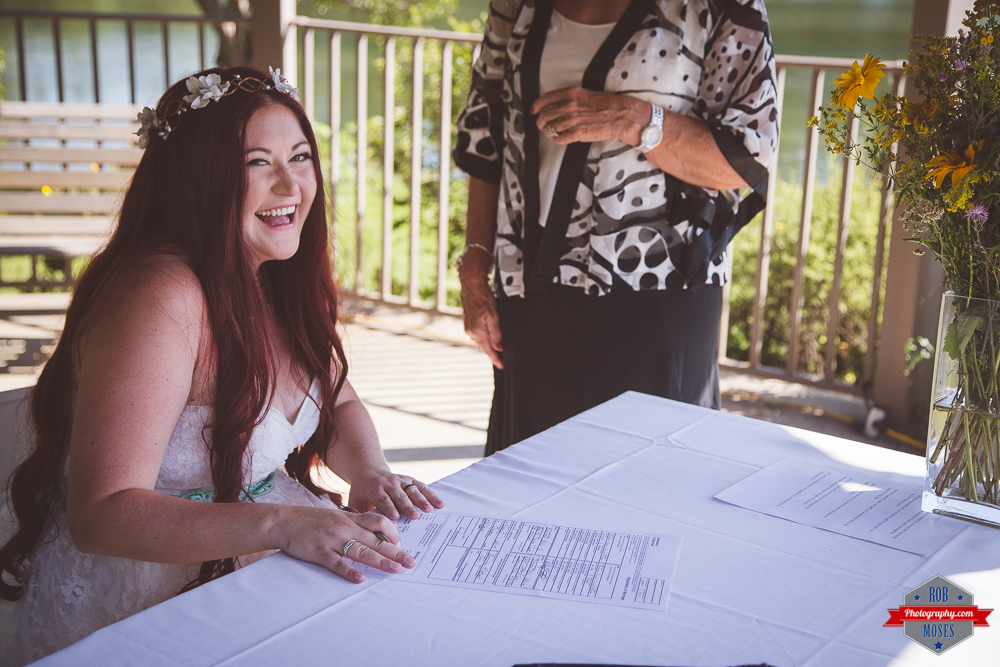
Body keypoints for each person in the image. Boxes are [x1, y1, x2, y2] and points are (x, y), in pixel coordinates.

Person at [0, 66, 444, 663]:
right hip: (150, 592)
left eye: (301, 156)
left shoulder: (274, 276)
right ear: (198, 177)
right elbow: (101, 513)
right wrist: (281, 525)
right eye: (257, 163)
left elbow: (334, 398)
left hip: (261, 548)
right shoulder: (161, 296)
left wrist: (368, 471)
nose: (290, 185)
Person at [454, 0, 778, 454]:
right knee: (529, 487)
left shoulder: (721, 7)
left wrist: (634, 120)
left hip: (659, 292)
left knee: (648, 489)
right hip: (531, 295)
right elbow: (484, 136)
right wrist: (474, 270)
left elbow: (748, 159)